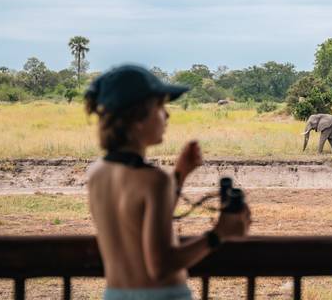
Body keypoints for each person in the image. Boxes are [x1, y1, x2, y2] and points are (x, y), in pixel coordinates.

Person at [84, 64, 251, 300]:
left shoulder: (97, 173)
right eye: (160, 106)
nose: (167, 115)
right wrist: (218, 234)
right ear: (137, 118)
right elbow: (160, 266)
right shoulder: (155, 179)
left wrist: (180, 175)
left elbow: (137, 219)